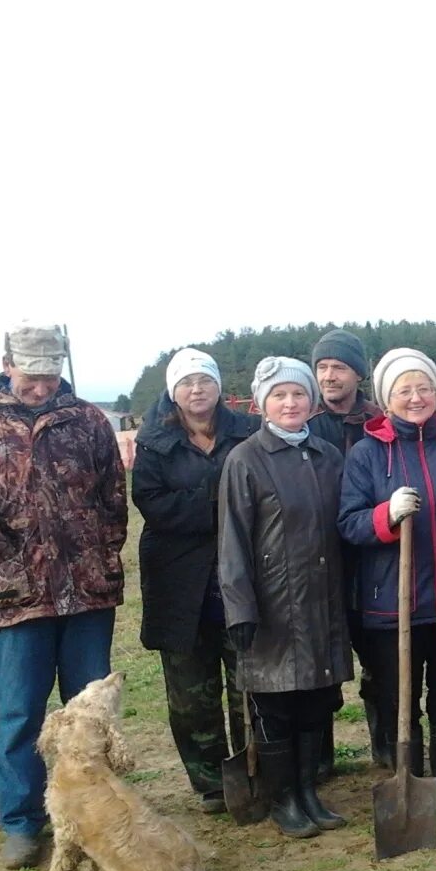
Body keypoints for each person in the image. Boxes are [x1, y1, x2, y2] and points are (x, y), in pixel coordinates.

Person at [0, 324, 127, 868]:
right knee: (21, 713)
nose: (42, 387)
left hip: (88, 596)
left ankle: (97, 815)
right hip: (18, 597)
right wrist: (8, 562)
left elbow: (114, 498)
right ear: (7, 364)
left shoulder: (88, 420)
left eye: (50, 376)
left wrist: (96, 554)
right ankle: (22, 822)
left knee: (88, 713)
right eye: (31, 376)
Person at [338, 348, 436, 804]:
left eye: (423, 387)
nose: (416, 397)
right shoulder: (367, 453)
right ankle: (410, 781)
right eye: (404, 390)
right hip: (392, 605)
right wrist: (386, 516)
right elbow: (349, 523)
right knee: (399, 699)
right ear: (386, 399)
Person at [218, 357, 354, 837]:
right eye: (280, 395)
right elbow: (232, 539)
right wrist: (240, 607)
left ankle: (308, 789)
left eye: (298, 394)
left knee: (315, 698)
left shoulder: (327, 456)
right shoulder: (245, 460)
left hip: (322, 598)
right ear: (261, 404)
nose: (291, 403)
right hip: (274, 604)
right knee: (277, 703)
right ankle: (283, 799)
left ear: (311, 401)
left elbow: (344, 527)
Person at [131, 348, 256, 813]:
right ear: (172, 391)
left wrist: (199, 502)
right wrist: (220, 502)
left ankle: (251, 769)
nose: (196, 389)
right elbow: (154, 505)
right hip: (179, 582)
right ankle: (209, 782)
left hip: (239, 575)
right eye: (186, 383)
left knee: (249, 685)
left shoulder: (248, 432)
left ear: (218, 386)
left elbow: (259, 494)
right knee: (190, 693)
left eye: (204, 380)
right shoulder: (154, 442)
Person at [309, 328, 385, 770]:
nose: (330, 376)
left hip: (374, 558)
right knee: (319, 663)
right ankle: (318, 756)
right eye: (322, 367)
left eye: (339, 367)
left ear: (358, 373)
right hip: (319, 560)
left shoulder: (379, 421)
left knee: (378, 661)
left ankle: (387, 747)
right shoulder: (304, 421)